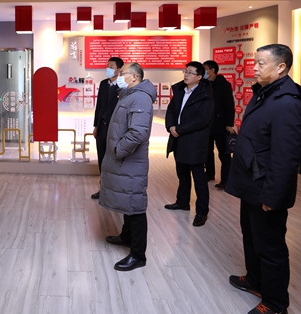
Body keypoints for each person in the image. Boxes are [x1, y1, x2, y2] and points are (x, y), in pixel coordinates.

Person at [225, 44, 301, 314]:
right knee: (250, 235)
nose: (255, 68)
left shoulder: (287, 103)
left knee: (271, 247)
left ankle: (275, 304)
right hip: (252, 182)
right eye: (255, 62)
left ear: (281, 67)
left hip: (266, 189)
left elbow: (286, 158)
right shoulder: (265, 93)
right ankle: (255, 280)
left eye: (261, 63)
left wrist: (272, 196)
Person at [99, 62, 157, 271]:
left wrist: (118, 150)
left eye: (122, 73)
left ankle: (138, 255)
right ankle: (126, 236)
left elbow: (137, 133)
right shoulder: (129, 95)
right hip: (124, 161)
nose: (118, 75)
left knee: (135, 205)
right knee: (127, 200)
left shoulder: (140, 98)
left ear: (134, 77)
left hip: (129, 161)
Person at [164, 61, 214, 227]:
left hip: (194, 141)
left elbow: (202, 119)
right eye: (185, 71)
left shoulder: (205, 95)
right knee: (182, 174)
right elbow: (171, 111)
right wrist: (171, 126)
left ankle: (202, 212)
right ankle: (182, 202)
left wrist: (179, 129)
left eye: (190, 72)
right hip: (178, 139)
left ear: (199, 77)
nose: (186, 75)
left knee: (199, 179)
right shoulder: (180, 90)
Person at [90, 56, 123, 199]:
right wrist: (96, 126)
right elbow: (99, 106)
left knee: (114, 158)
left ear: (119, 69)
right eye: (107, 66)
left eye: (111, 66)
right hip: (102, 127)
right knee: (102, 157)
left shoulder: (123, 85)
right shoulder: (104, 84)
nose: (108, 68)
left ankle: (114, 190)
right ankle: (103, 188)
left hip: (115, 127)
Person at [203, 60, 235, 187]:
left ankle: (226, 180)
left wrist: (229, 123)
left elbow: (229, 105)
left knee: (224, 153)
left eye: (205, 69)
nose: (204, 72)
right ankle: (209, 174)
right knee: (207, 151)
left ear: (212, 70)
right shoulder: (204, 84)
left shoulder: (224, 85)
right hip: (206, 124)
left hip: (220, 124)